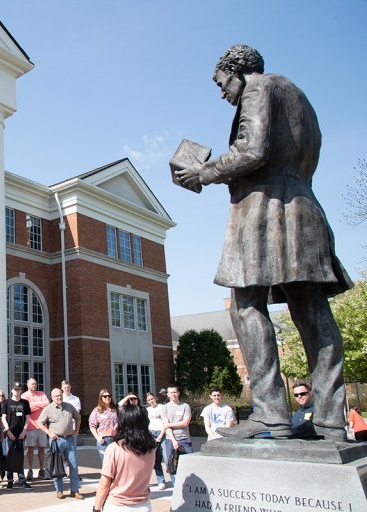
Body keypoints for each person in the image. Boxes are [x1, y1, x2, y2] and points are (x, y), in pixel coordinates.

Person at [175, 43, 352, 441]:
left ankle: (271, 411)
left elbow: (252, 149)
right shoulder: (299, 98)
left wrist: (204, 172)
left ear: (237, 71)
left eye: (222, 83)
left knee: (245, 303)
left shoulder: (258, 88)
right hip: (303, 207)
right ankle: (330, 419)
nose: (222, 92)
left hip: (265, 211)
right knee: (311, 309)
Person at [92, 403, 158, 512]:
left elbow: (104, 485)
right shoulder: (151, 449)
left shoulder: (114, 448)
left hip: (117, 506)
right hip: (143, 505)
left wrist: (97, 508)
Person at [37, 388, 83, 501]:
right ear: (52, 397)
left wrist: (76, 430)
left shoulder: (69, 406)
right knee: (57, 466)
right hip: (56, 440)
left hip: (70, 439)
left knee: (74, 465)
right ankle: (59, 491)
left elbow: (78, 418)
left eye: (61, 395)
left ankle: (75, 491)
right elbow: (39, 423)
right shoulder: (48, 409)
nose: (59, 397)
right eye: (57, 396)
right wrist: (49, 433)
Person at [0, 381, 32, 490]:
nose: (17, 391)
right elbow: (3, 417)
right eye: (15, 389)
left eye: (18, 389)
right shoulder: (6, 402)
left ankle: (21, 479)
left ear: (21, 390)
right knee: (10, 457)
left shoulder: (25, 403)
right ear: (11, 390)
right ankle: (10, 481)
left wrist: (24, 431)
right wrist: (8, 431)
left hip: (21, 434)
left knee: (20, 457)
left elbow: (28, 419)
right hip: (10, 434)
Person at [161, 386, 191, 486]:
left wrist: (169, 424)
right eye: (171, 393)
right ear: (168, 395)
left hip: (184, 439)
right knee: (172, 465)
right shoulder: (165, 408)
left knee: (187, 465)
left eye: (175, 392)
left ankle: (187, 485)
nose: (173, 394)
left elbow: (185, 423)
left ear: (178, 393)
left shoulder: (185, 406)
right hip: (171, 440)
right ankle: (177, 487)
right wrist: (174, 441)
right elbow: (166, 426)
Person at [21, 377, 49, 480]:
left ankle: (42, 470)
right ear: (27, 385)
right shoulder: (24, 395)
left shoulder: (41, 393)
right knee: (30, 449)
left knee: (42, 448)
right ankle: (30, 470)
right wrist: (38, 406)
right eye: (32, 384)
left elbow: (46, 404)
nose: (34, 386)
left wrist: (33, 405)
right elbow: (27, 409)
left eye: (35, 384)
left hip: (42, 427)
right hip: (30, 426)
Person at [89, 388, 118, 461]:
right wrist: (98, 438)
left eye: (109, 396)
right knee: (106, 464)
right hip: (104, 440)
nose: (107, 397)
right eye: (105, 396)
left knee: (116, 463)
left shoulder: (116, 409)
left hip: (116, 439)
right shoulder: (97, 410)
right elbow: (92, 425)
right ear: (101, 398)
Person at [145, 392, 166, 490]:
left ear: (155, 398)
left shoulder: (162, 407)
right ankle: (160, 480)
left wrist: (161, 436)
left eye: (152, 399)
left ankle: (175, 480)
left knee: (167, 458)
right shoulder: (147, 410)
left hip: (162, 433)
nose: (151, 401)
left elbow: (165, 422)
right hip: (152, 433)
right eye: (149, 400)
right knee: (156, 459)